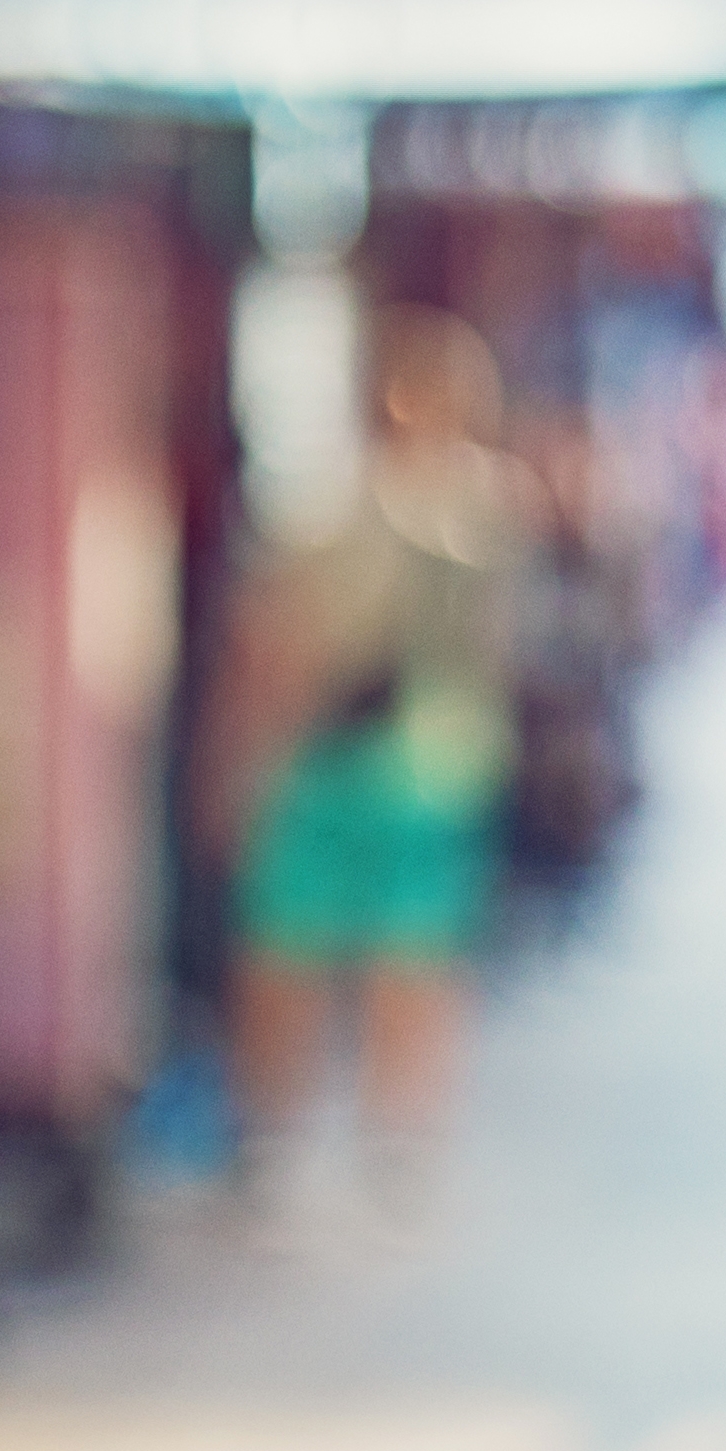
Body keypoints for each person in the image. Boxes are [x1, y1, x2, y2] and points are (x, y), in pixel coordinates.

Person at [213, 307, 531, 1199]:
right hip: (410, 757)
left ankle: (317, 1135)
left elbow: (284, 637)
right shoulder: (483, 506)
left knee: (341, 951)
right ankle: (359, 1137)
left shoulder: (386, 502)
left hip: (377, 758)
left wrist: (246, 749)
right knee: (376, 953)